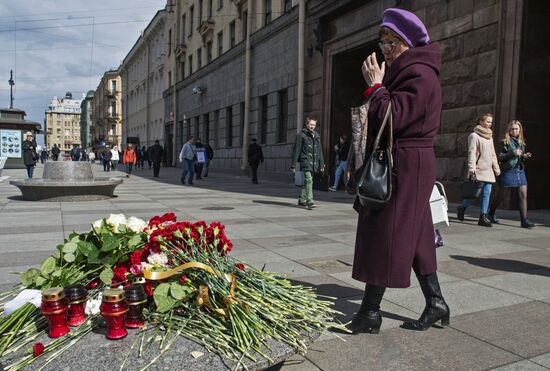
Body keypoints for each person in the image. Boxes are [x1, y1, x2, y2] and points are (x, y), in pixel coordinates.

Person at [350, 8, 449, 334]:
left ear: (407, 42)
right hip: (406, 160)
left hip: (406, 163)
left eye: (390, 42)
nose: (385, 50)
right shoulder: (409, 71)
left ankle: (369, 312)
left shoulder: (419, 74)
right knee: (417, 234)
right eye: (382, 43)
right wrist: (379, 89)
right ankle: (436, 302)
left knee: (385, 229)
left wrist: (376, 88)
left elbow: (394, 117)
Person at [456, 113, 501, 227]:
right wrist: (472, 169)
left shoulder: (489, 137)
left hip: (488, 170)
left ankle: (483, 217)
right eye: (487, 121)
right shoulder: (474, 136)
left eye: (491, 122)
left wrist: (496, 167)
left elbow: (492, 154)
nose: (489, 124)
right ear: (481, 122)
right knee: (474, 194)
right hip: (478, 170)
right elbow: (471, 153)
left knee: (487, 193)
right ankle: (462, 208)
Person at [488, 120, 535, 228]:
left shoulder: (521, 142)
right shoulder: (504, 141)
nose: (514, 131)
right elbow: (499, 156)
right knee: (502, 195)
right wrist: (512, 153)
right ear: (509, 129)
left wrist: (524, 156)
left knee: (523, 195)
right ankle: (491, 213)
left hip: (519, 170)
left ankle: (524, 220)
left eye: (516, 129)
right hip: (508, 171)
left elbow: (519, 155)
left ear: (520, 130)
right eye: (512, 129)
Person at [291, 117, 325, 209]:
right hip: (305, 161)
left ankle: (302, 199)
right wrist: (293, 164)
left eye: (313, 125)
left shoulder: (316, 135)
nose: (312, 126)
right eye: (310, 124)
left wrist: (321, 163)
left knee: (308, 181)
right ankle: (310, 201)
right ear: (306, 124)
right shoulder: (301, 135)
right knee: (309, 180)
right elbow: (296, 150)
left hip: (314, 162)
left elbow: (319, 150)